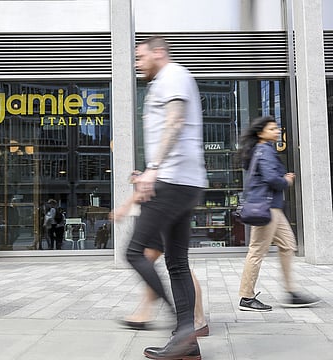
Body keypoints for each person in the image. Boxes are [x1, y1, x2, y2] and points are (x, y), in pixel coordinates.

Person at [126, 36, 207, 359]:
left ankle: (182, 329)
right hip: (185, 181)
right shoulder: (171, 78)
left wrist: (153, 170)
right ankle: (187, 344)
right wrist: (148, 170)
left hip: (172, 181)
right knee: (176, 261)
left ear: (158, 53)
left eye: (141, 56)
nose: (137, 63)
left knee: (134, 252)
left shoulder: (171, 75)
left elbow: (175, 122)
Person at [238, 116, 321, 312]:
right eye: (272, 129)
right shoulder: (264, 150)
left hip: (272, 207)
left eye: (277, 128)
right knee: (257, 251)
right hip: (267, 208)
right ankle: (246, 297)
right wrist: (286, 180)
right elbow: (271, 178)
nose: (277, 131)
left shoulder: (261, 150)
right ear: (261, 133)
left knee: (288, 245)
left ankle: (290, 292)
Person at [111, 188, 209, 336]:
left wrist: (126, 205)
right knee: (151, 260)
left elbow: (159, 173)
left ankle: (197, 319)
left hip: (163, 203)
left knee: (176, 264)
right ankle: (145, 313)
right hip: (163, 201)